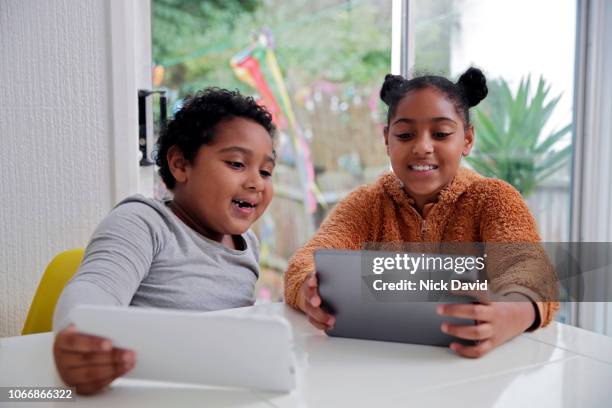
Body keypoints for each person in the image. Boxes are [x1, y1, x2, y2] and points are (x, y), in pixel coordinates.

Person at [284, 67, 559, 358]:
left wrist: (509, 315)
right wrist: (309, 292)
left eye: (440, 134)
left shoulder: (494, 199)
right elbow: (306, 261)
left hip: (470, 371)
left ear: (467, 140)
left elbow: (532, 270)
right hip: (380, 367)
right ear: (387, 139)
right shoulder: (366, 203)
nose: (422, 147)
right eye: (405, 135)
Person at [52, 88, 276, 394]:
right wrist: (77, 336)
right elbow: (96, 286)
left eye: (266, 171)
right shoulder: (143, 222)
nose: (255, 182)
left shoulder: (247, 242)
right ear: (180, 165)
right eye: (237, 164)